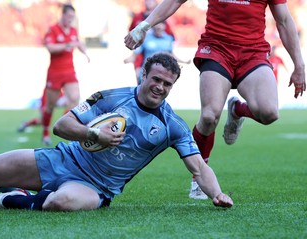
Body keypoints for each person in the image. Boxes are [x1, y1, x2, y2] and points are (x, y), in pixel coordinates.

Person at [0, 53, 233, 211]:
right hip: (63, 159)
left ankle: (10, 201)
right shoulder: (110, 98)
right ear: (143, 75)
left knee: (58, 204)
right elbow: (61, 126)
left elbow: (199, 167)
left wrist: (217, 194)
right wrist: (94, 135)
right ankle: (23, 193)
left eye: (167, 84)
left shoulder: (171, 126)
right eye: (156, 79)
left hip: (95, 186)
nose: (160, 87)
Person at [124, 0, 306, 200]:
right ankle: (199, 178)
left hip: (252, 53)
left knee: (269, 112)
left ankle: (237, 110)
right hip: (217, 50)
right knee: (210, 116)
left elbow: (284, 20)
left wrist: (299, 65)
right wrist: (144, 25)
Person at [38, 3, 89, 146]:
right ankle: (46, 132)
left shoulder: (73, 30)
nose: (71, 19)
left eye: (73, 17)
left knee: (74, 99)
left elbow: (78, 43)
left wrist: (85, 52)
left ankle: (71, 132)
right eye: (69, 16)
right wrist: (67, 45)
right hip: (55, 72)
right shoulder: (53, 30)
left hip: (69, 71)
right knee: (50, 105)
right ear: (63, 15)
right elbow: (50, 48)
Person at [124, 21, 190, 84]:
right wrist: (125, 60)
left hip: (163, 75)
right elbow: (135, 55)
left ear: (164, 26)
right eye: (157, 25)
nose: (159, 27)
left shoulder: (168, 39)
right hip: (147, 74)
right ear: (153, 26)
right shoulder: (145, 38)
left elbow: (171, 55)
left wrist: (184, 61)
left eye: (161, 25)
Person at [128, 0, 175, 83]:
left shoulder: (162, 16)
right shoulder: (138, 17)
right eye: (147, 1)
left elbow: (168, 34)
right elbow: (131, 30)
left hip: (156, 50)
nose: (149, 3)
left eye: (151, 1)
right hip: (140, 51)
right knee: (141, 79)